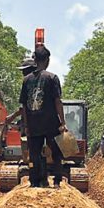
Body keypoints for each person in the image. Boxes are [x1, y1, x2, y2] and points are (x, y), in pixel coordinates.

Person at [19, 45, 66, 188]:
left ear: (35, 60)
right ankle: (57, 181)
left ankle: (35, 181)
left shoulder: (26, 80)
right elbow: (57, 101)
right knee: (57, 152)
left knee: (34, 154)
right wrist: (62, 122)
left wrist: (26, 126)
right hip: (50, 123)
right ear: (47, 60)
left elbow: (24, 106)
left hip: (33, 124)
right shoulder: (52, 78)